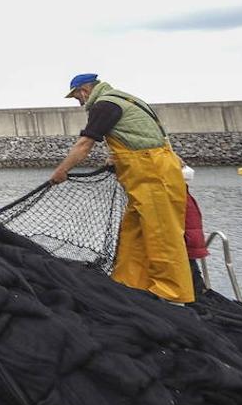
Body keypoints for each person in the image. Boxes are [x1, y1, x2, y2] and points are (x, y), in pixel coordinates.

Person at [50, 74, 194, 304]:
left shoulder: (104, 105)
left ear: (85, 90)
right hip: (147, 172)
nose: (78, 101)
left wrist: (61, 171)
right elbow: (138, 135)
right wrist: (115, 157)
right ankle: (130, 284)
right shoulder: (126, 99)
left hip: (153, 173)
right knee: (133, 231)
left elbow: (84, 144)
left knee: (162, 233)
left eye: (76, 95)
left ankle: (173, 293)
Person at [181, 164, 209, 296]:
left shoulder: (177, 198)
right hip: (192, 242)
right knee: (193, 271)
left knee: (190, 270)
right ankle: (200, 292)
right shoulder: (186, 196)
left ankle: (197, 294)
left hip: (186, 243)